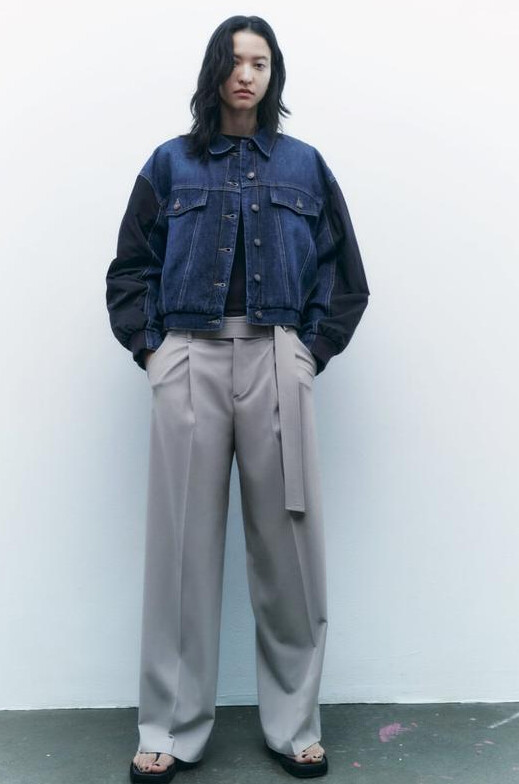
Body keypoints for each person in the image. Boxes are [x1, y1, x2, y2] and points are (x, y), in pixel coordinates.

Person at [106, 14, 369, 782]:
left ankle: (294, 725)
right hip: (188, 355)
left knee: (288, 551)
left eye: (259, 61)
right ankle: (168, 727)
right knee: (180, 552)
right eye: (233, 60)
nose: (245, 74)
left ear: (272, 72)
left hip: (277, 356)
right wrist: (155, 351)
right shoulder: (169, 164)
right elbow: (130, 269)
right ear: (213, 70)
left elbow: (343, 276)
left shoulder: (305, 165)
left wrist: (307, 353)